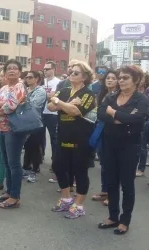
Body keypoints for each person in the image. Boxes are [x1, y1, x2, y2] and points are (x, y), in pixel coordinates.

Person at [97, 65, 149, 235]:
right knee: (111, 182)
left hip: (129, 146)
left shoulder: (140, 99)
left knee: (127, 184)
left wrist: (114, 113)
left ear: (135, 80)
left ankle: (124, 220)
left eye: (125, 77)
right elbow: (101, 113)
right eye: (120, 77)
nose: (121, 80)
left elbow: (137, 119)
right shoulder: (112, 96)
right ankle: (113, 217)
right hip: (109, 143)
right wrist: (119, 118)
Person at [47, 61, 96, 219]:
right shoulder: (65, 90)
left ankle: (79, 204)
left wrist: (59, 103)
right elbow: (49, 106)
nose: (71, 74)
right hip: (63, 135)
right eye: (70, 72)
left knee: (79, 171)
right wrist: (63, 103)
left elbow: (76, 111)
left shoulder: (88, 94)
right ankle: (66, 198)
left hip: (80, 138)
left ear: (85, 77)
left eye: (76, 73)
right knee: (58, 166)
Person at [0, 59, 27, 209]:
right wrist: (1, 106)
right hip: (1, 128)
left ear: (19, 72)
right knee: (6, 162)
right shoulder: (3, 89)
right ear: (5, 72)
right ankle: (9, 191)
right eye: (9, 68)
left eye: (15, 68)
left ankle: (15, 197)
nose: (12, 70)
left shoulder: (20, 86)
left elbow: (11, 106)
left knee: (14, 163)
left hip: (14, 129)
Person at [91, 69, 119, 206]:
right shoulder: (102, 94)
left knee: (112, 164)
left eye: (113, 78)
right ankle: (105, 190)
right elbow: (99, 112)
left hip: (114, 131)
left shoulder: (120, 95)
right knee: (103, 162)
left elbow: (117, 115)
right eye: (108, 78)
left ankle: (112, 194)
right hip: (101, 128)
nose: (110, 80)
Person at [23, 71, 47, 183]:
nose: (27, 79)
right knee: (27, 146)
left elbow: (34, 105)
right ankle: (26, 168)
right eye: (26, 77)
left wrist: (21, 101)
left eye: (30, 77)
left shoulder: (40, 91)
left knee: (35, 147)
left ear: (37, 79)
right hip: (24, 122)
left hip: (36, 122)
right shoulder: (25, 90)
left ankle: (35, 170)